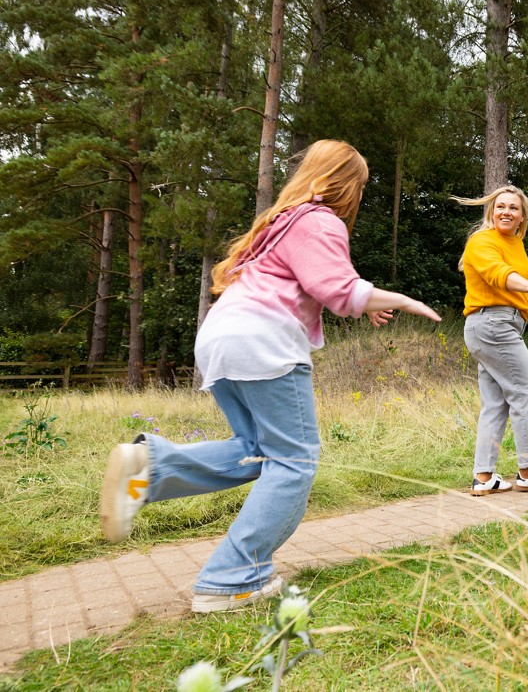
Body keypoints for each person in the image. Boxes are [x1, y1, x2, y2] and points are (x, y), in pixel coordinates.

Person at [98, 140, 440, 613]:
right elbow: (337, 289)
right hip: (264, 344)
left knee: (258, 453)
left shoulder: (279, 223)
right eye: (358, 186)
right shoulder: (321, 220)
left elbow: (308, 284)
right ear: (340, 183)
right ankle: (232, 577)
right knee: (294, 461)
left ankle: (152, 468)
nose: (357, 196)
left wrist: (360, 305)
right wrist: (399, 300)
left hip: (222, 338)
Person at [454, 185, 528, 496]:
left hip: (498, 326)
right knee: (526, 393)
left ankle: (484, 477)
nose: (506, 211)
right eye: (500, 206)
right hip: (493, 324)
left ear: (522, 217)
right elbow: (498, 273)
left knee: (495, 404)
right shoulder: (482, 240)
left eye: (514, 208)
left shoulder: (515, 242)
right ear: (491, 212)